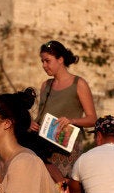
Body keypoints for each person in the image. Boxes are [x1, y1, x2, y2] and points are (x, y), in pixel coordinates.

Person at [30, 40, 97, 178]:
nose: (44, 65)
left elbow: (92, 119)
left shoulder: (78, 84)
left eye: (47, 61)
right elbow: (41, 116)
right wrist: (32, 124)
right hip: (43, 149)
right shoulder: (45, 86)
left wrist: (71, 121)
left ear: (60, 59)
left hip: (67, 151)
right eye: (42, 61)